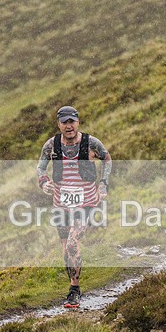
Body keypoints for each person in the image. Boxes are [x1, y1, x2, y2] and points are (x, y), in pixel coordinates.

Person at [37, 106, 112, 307]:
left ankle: (75, 290)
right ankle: (72, 286)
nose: (68, 126)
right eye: (64, 122)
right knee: (65, 247)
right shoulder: (51, 145)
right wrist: (43, 182)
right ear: (59, 124)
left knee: (72, 242)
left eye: (72, 121)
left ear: (78, 122)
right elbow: (40, 167)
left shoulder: (91, 142)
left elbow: (107, 159)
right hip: (61, 203)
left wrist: (104, 183)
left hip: (86, 202)